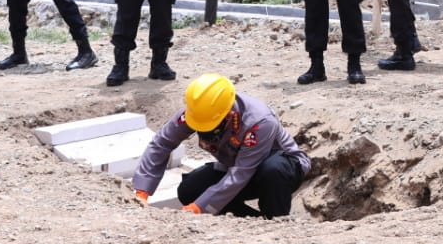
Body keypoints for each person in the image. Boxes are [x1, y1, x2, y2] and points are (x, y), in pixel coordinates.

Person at [133, 73, 310, 218]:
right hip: (236, 168)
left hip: (281, 169)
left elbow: (241, 172)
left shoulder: (259, 121)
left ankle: (276, 222)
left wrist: (199, 208)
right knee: (190, 189)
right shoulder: (199, 111)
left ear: (228, 113)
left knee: (272, 170)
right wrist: (142, 190)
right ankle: (251, 224)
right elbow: (162, 143)